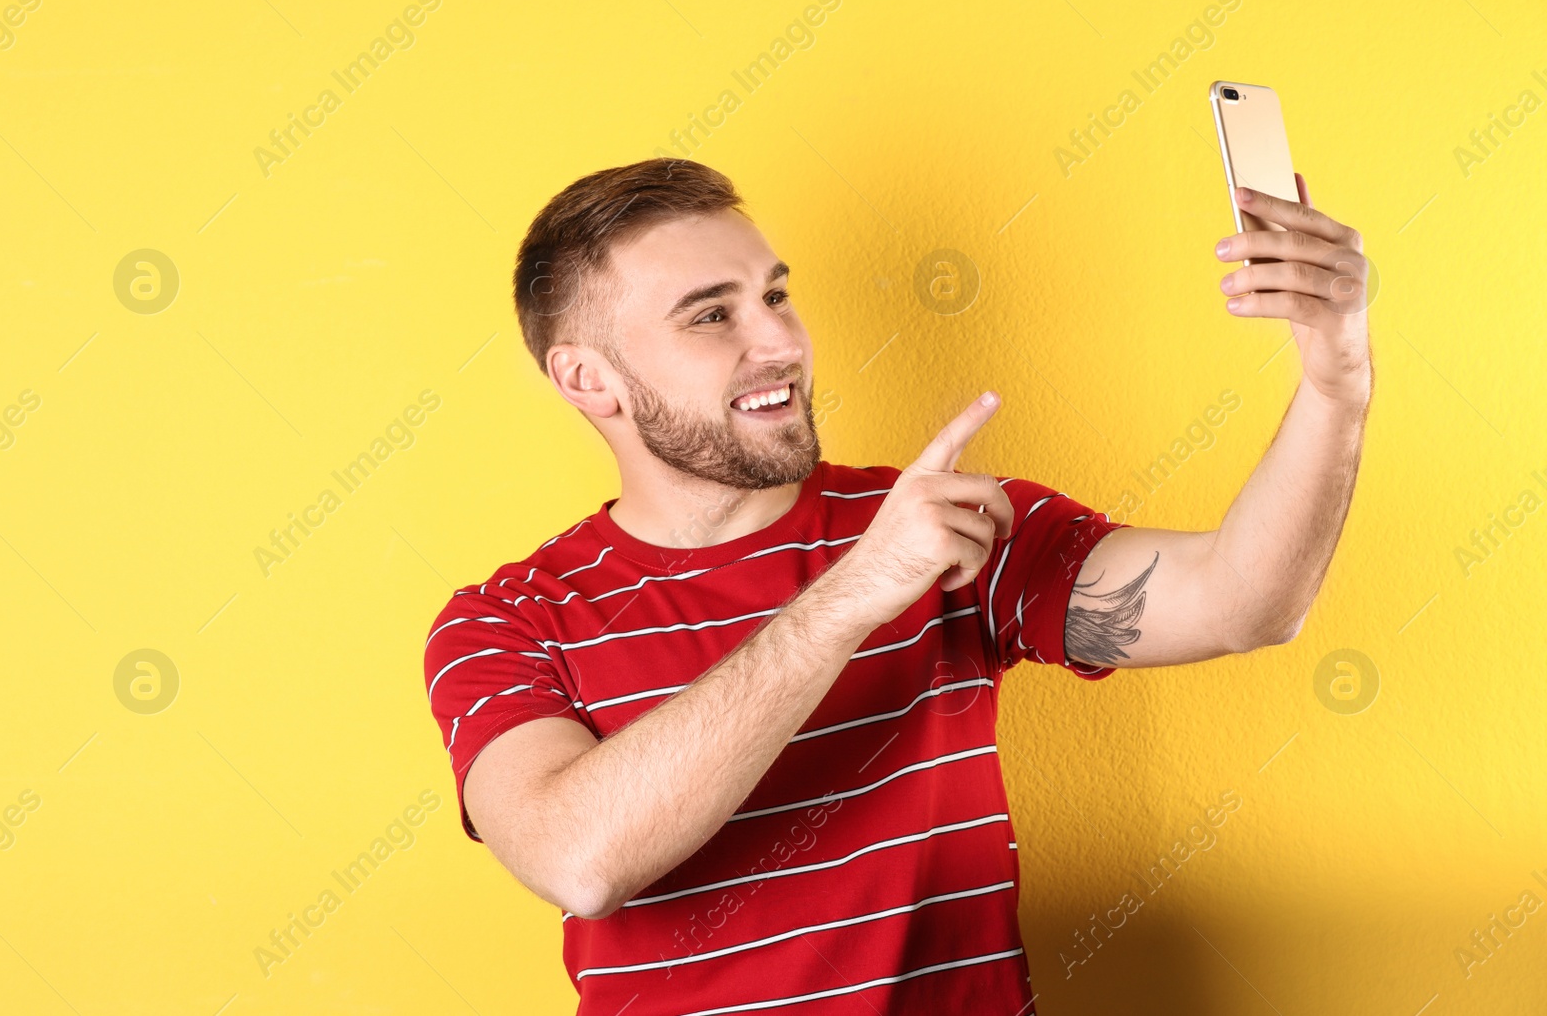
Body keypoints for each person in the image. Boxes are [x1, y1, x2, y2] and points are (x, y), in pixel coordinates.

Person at [421, 158, 1372, 1015]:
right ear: (590, 380)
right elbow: (575, 860)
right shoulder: (509, 618)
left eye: (776, 295)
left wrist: (1336, 384)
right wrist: (856, 591)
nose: (782, 342)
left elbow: (1244, 603)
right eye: (713, 315)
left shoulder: (945, 523)